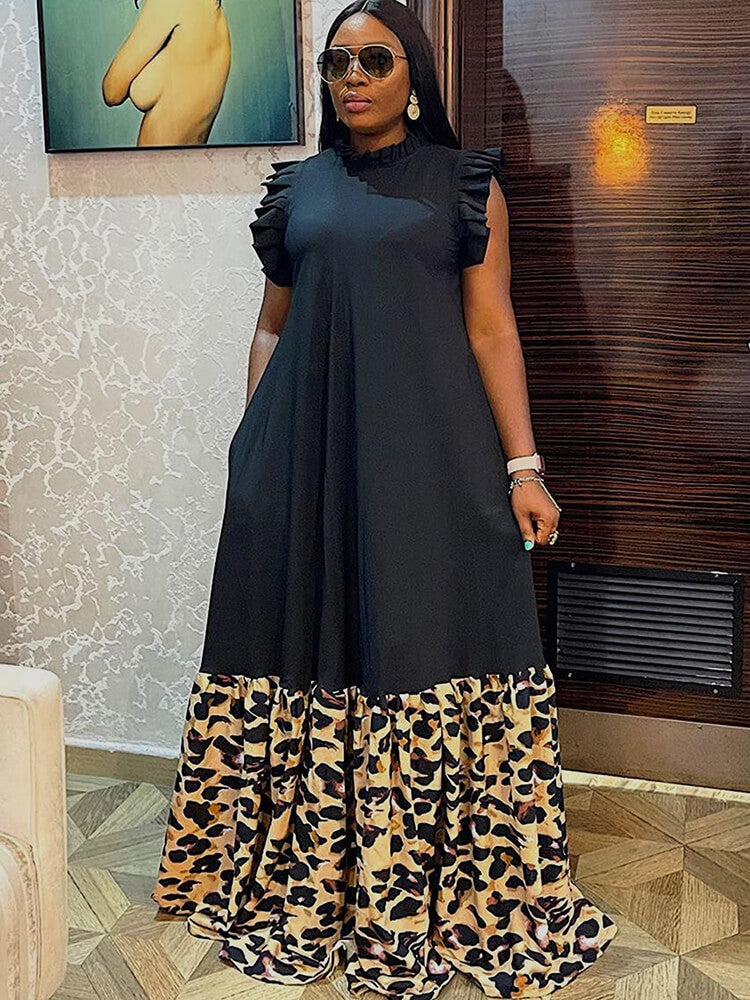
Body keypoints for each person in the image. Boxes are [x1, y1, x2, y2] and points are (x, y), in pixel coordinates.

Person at [151, 1, 618, 996]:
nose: (353, 77)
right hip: (302, 459)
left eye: (375, 59)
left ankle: (427, 886)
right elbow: (272, 327)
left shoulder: (464, 184)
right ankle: (308, 876)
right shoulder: (299, 189)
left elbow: (492, 329)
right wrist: (251, 446)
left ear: (414, 77)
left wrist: (524, 467)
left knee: (424, 641)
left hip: (431, 460)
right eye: (338, 62)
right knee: (307, 647)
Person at [102, 0, 230, 146]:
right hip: (185, 159)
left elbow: (112, 91)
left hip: (158, 159)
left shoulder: (169, 3)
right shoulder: (216, 16)